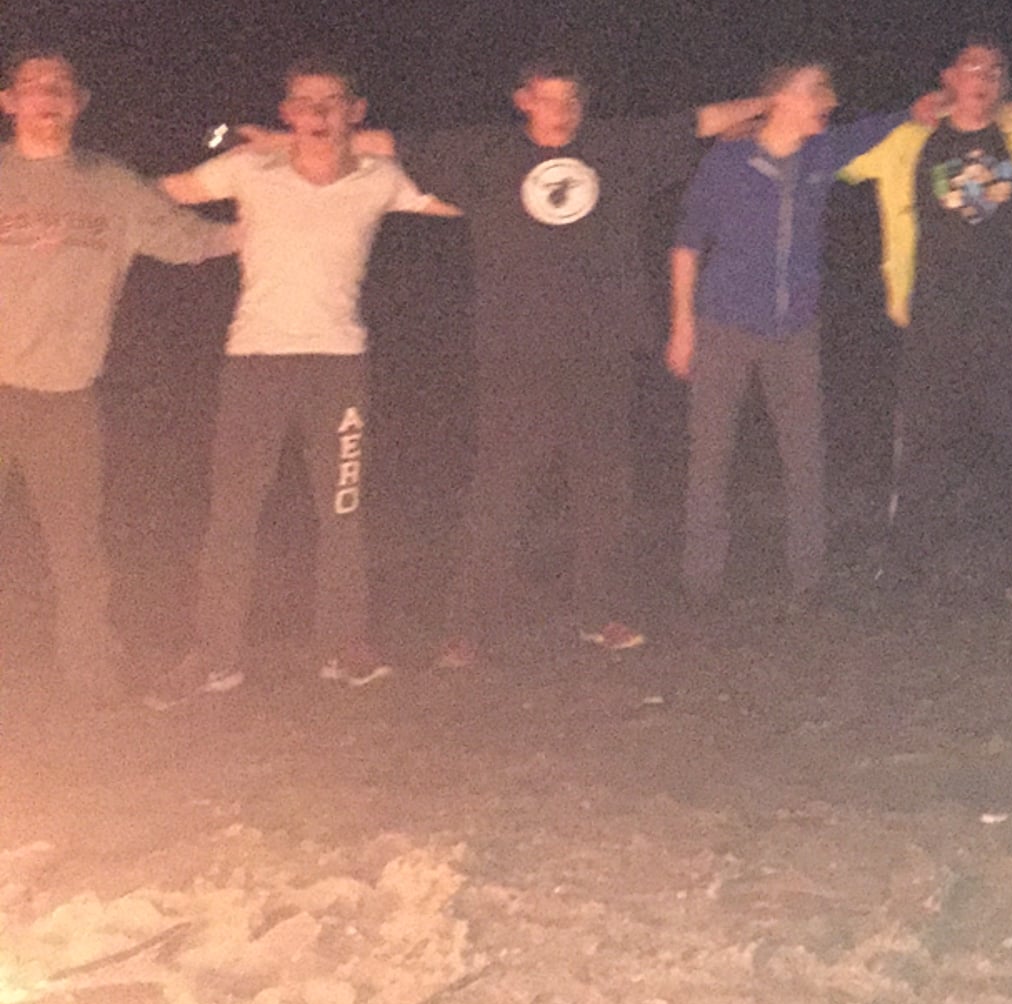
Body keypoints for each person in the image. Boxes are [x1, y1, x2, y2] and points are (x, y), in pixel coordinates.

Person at [390, 60, 764, 668]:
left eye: (571, 99)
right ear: (523, 100)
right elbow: (391, 144)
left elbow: (696, 122)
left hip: (600, 348)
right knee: (500, 490)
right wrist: (283, 142)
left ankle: (601, 612)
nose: (562, 111)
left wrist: (767, 102)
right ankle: (466, 627)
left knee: (603, 487)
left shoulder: (615, 148)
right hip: (516, 353)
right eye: (548, 99)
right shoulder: (489, 155)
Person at [151, 60, 456, 702]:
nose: (317, 113)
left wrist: (534, 188)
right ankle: (214, 656)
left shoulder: (380, 177)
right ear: (286, 112)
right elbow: (159, 195)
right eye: (304, 102)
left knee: (342, 512)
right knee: (233, 513)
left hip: (338, 365)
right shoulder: (247, 169)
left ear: (355, 110)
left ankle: (343, 648)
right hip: (254, 362)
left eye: (331, 101)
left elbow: (467, 199)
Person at [0, 50, 236, 703]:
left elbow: (190, 240)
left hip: (66, 398)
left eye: (60, 86)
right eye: (32, 85)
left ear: (80, 102)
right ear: (8, 101)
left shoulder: (110, 186)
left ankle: (92, 679)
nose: (47, 96)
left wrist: (269, 224)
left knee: (78, 551)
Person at [840, 38, 1012, 589]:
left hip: (1004, 315)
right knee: (922, 440)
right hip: (933, 315)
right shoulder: (912, 138)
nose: (983, 77)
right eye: (972, 68)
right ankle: (905, 561)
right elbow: (832, 153)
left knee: (1011, 435)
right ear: (949, 78)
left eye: (994, 69)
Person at [667, 61, 930, 607]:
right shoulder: (728, 162)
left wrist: (922, 109)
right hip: (725, 326)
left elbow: (877, 128)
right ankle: (700, 583)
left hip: (794, 331)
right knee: (710, 457)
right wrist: (682, 326)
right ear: (781, 99)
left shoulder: (820, 154)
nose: (829, 101)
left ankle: (810, 581)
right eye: (816, 91)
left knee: (805, 455)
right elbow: (687, 243)